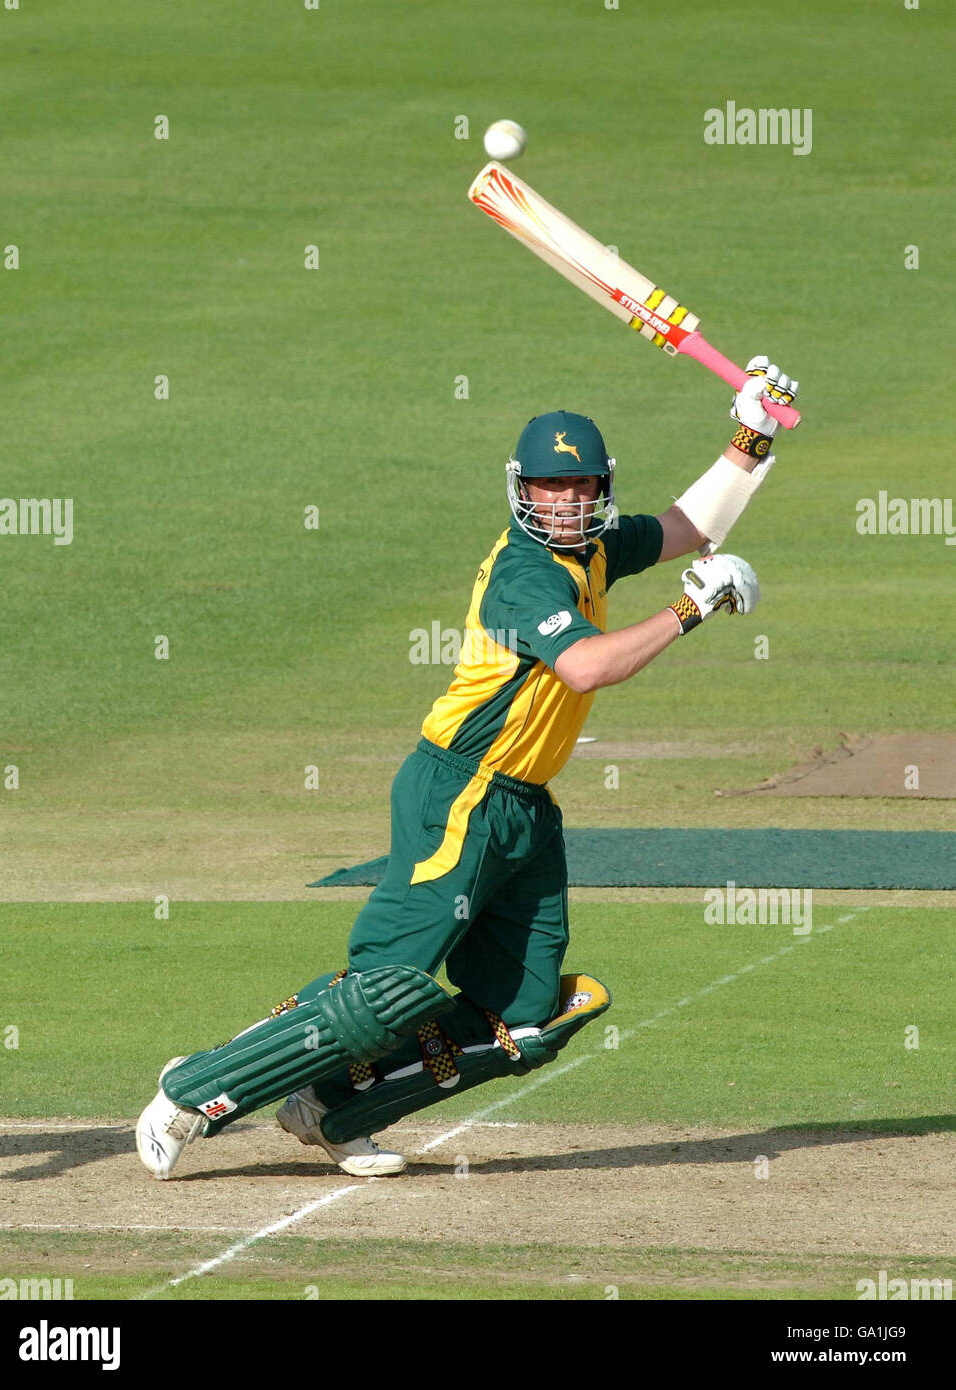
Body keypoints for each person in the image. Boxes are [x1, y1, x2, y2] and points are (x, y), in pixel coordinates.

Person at [136, 358, 798, 1180]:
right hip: (460, 792)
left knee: (526, 1019)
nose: (567, 500)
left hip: (523, 808)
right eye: (552, 487)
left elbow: (686, 530)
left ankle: (337, 1110)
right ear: (524, 490)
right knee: (388, 985)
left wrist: (751, 436)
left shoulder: (591, 548)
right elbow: (588, 666)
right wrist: (688, 609)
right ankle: (195, 1089)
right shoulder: (525, 573)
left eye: (581, 484)